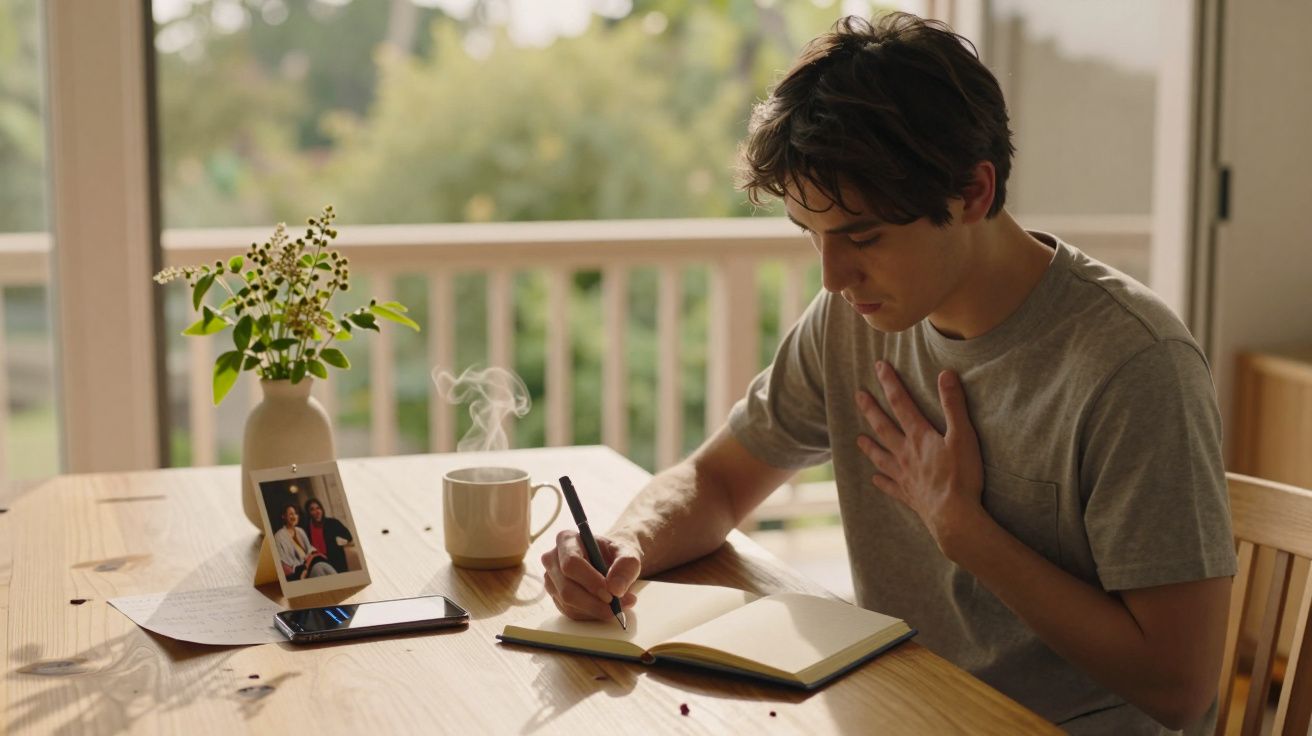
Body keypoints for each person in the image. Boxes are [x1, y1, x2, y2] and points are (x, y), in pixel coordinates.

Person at [541, 12, 1235, 735]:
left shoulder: (1133, 366)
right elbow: (716, 480)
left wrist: (966, 533)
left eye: (862, 237)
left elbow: (1179, 688)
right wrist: (626, 544)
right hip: (901, 707)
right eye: (810, 236)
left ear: (971, 192)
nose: (834, 275)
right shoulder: (853, 320)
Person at [273, 503, 337, 579]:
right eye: (290, 514)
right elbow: (283, 562)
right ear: (283, 516)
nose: (294, 516)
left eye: (296, 514)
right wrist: (303, 568)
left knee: (323, 567)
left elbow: (309, 549)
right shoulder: (279, 536)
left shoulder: (300, 531)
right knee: (320, 568)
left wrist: (311, 558)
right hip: (297, 571)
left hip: (308, 564)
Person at [300, 497, 355, 574]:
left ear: (322, 510)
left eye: (318, 508)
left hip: (337, 564)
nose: (317, 511)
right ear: (308, 513)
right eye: (312, 509)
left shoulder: (333, 523)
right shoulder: (306, 530)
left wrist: (340, 540)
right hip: (318, 564)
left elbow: (349, 537)